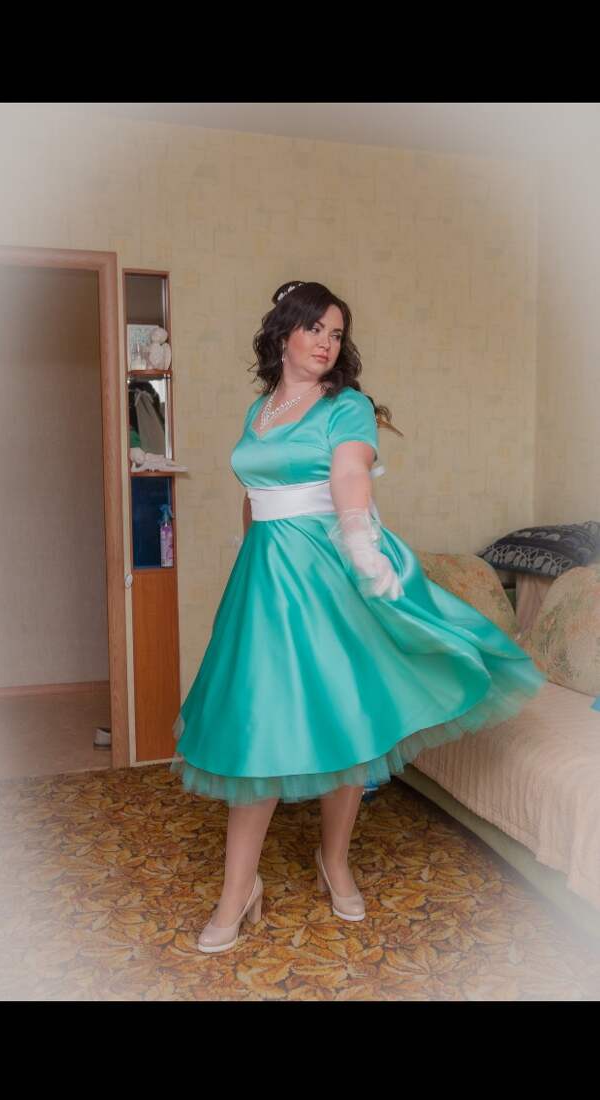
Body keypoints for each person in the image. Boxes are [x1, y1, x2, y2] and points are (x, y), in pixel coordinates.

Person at [170, 280, 547, 954]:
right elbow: (254, 493)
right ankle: (237, 891)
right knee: (257, 724)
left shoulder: (347, 406)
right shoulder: (260, 408)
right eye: (314, 328)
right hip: (264, 579)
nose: (326, 342)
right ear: (283, 333)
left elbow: (349, 476)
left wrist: (363, 547)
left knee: (345, 717)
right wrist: (249, 552)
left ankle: (335, 861)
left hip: (329, 573)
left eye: (336, 333)